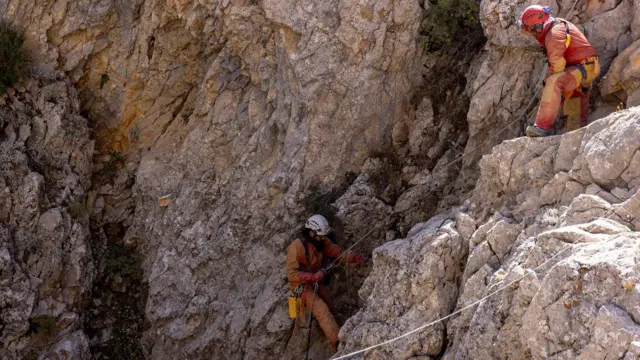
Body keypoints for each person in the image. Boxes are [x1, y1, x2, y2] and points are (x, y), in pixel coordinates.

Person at [285, 214, 366, 351]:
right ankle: (338, 344)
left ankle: (342, 331)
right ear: (311, 233)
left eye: (323, 236)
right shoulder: (296, 247)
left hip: (315, 281)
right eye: (320, 236)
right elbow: (291, 274)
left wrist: (353, 257)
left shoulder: (321, 242)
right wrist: (313, 276)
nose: (322, 239)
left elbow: (337, 252)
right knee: (322, 309)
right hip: (301, 286)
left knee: (330, 305)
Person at [519, 5, 600, 137]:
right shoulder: (558, 25)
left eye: (532, 31)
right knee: (574, 104)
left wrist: (547, 84)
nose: (533, 35)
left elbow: (557, 65)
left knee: (554, 82)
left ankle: (541, 127)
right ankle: (575, 136)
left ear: (538, 27)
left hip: (584, 68)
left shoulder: (553, 34)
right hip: (583, 68)